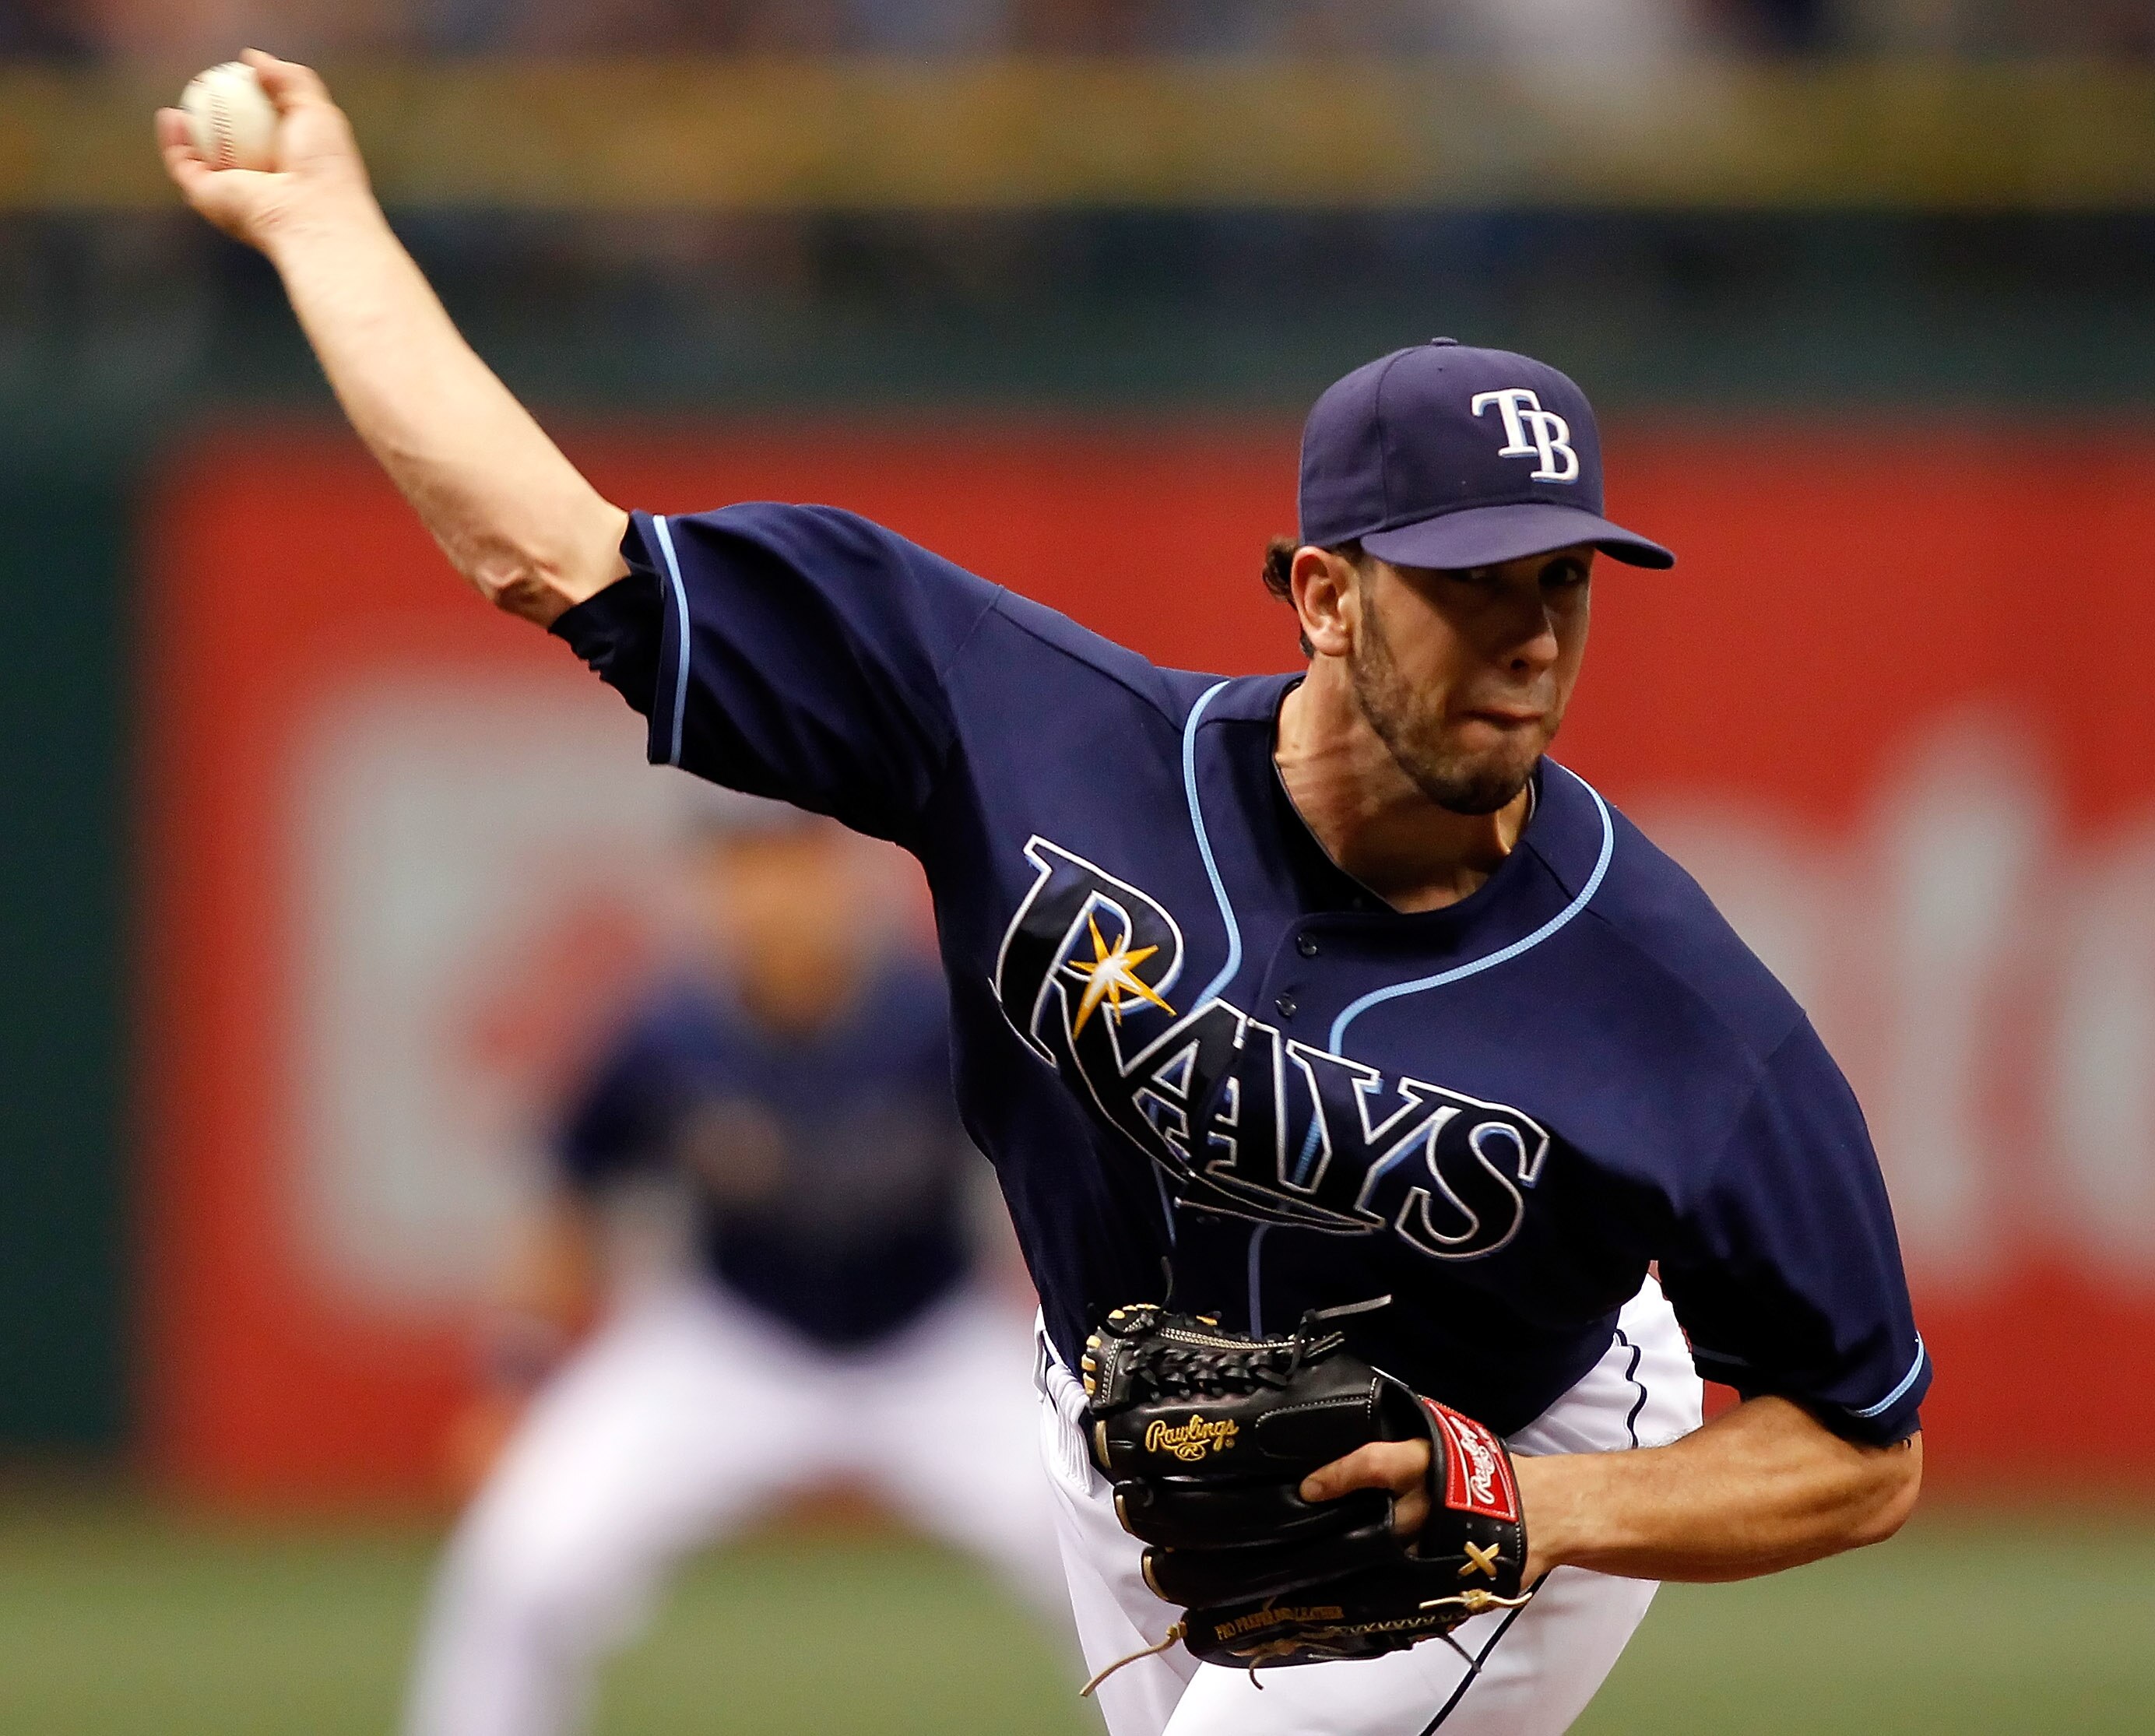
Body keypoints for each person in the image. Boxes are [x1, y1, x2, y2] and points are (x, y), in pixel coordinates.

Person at [161, 54, 1928, 1736]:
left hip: (1486, 1461)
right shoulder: (1022, 731)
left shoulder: (1672, 1005)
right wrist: (324, 228)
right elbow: (549, 550)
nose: (1532, 633)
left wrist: (1525, 1503)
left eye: (1561, 577)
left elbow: (1860, 1446)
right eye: (1467, 582)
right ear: (1321, 593)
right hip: (1110, 1421)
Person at [403, 797, 1067, 1736]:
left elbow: (1064, 1178)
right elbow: (569, 1202)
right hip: (728, 1341)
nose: (770, 898)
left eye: (792, 864)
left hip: (933, 1341)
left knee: (1129, 1559)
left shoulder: (941, 1015)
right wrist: (515, 1379)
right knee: (523, 1564)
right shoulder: (665, 1032)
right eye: (742, 870)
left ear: (844, 880)